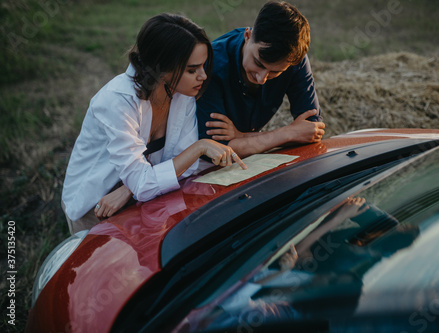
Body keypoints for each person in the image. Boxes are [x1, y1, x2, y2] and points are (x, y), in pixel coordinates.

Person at [62, 13, 246, 235]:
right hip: (96, 204)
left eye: (203, 66)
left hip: (143, 200)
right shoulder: (116, 101)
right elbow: (166, 169)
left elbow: (183, 169)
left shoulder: (182, 95)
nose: (203, 76)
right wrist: (199, 147)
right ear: (162, 68)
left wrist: (130, 189)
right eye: (192, 70)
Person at [196, 1, 326, 158]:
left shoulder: (293, 59)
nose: (261, 78)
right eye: (258, 63)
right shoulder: (210, 65)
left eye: (275, 72)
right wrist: (288, 133)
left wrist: (242, 137)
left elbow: (311, 130)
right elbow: (215, 151)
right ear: (247, 35)